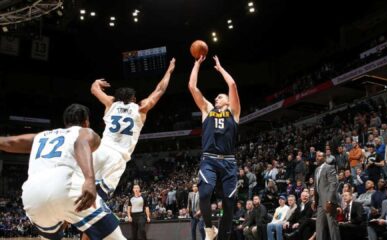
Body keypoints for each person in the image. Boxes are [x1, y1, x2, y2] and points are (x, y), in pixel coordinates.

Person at [0, 104, 125, 239]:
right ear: (86, 122)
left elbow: (9, 142)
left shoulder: (41, 136)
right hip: (66, 187)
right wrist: (89, 180)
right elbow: (81, 143)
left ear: (66, 123)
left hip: (32, 196)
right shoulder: (84, 132)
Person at [90, 58, 175, 199]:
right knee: (100, 196)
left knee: (82, 185)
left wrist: (97, 82)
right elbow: (159, 90)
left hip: (100, 150)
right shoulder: (140, 109)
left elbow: (94, 89)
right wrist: (169, 70)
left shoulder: (111, 104)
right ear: (134, 99)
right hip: (118, 157)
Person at [188, 55, 240, 240]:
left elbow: (232, 85)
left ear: (227, 100)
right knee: (204, 193)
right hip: (209, 158)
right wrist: (196, 65)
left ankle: (223, 237)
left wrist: (220, 68)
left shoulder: (233, 112)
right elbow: (193, 88)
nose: (216, 98)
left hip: (228, 161)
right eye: (216, 97)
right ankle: (209, 229)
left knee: (229, 202)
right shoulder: (207, 110)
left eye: (220, 96)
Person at [314, 151, 341, 240]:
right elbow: (316, 187)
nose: (317, 158)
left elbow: (333, 184)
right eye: (316, 156)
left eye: (319, 156)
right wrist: (315, 200)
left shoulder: (330, 167)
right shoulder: (316, 170)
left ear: (324, 157)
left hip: (329, 201)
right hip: (320, 202)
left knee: (332, 226)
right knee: (319, 227)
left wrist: (329, 200)